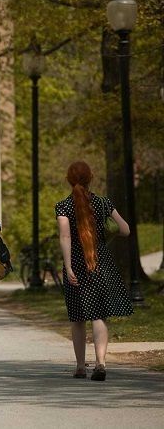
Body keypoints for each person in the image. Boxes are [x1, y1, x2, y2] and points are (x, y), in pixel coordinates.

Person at [56, 161, 134, 381]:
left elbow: (65, 237)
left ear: (69, 180)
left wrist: (69, 265)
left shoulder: (63, 206)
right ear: (90, 178)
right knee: (98, 315)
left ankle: (81, 366)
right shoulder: (103, 203)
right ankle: (100, 362)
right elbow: (125, 229)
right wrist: (108, 233)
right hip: (100, 263)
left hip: (77, 265)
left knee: (78, 317)